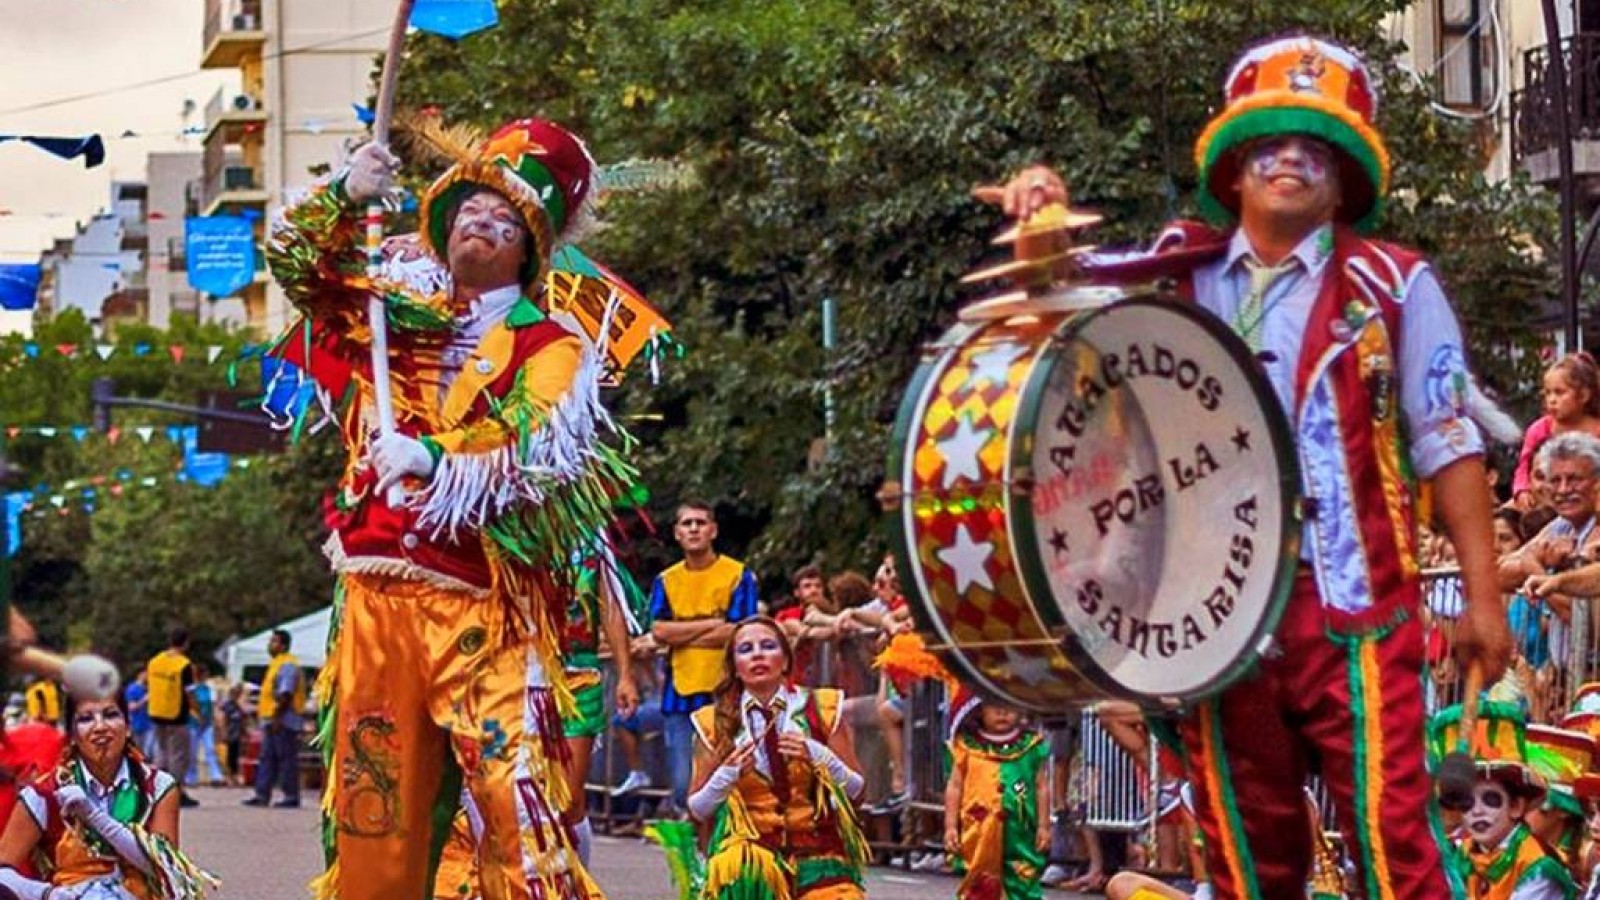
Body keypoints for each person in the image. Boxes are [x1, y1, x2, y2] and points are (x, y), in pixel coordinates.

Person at [995, 35, 1511, 898]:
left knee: (1396, 842)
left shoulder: (1396, 285)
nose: (1291, 160)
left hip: (1357, 608)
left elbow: (1447, 443)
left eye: (1316, 148)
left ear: (1346, 179)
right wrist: (1038, 222)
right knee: (1244, 844)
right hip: (1217, 616)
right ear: (1232, 171)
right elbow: (1059, 337)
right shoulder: (1172, 278)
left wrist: (1486, 600)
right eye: (1269, 143)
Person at [266, 115, 636, 899]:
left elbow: (535, 448)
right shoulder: (387, 310)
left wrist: (434, 457)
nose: (484, 222)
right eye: (471, 207)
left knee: (517, 806)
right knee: (375, 812)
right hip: (374, 601)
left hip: (482, 610)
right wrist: (342, 193)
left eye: (506, 219)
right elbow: (297, 267)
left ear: (528, 250)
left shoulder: (553, 345)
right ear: (442, 219)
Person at [685, 617, 868, 899]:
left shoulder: (822, 709)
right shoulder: (713, 723)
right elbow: (697, 809)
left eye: (768, 646)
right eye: (745, 649)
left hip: (818, 853)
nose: (757, 654)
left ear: (785, 661)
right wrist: (727, 775)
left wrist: (820, 757)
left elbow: (858, 793)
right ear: (735, 667)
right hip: (751, 858)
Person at [0, 690, 215, 899]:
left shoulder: (157, 786)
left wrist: (94, 816)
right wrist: (47, 894)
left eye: (111, 715)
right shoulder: (44, 793)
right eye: (85, 719)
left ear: (128, 727)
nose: (100, 727)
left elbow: (164, 869)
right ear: (72, 735)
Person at [649, 500, 759, 814]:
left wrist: (683, 632)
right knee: (684, 782)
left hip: (725, 690)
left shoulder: (738, 575)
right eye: (687, 524)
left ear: (713, 530)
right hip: (679, 690)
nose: (694, 529)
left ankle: (721, 847)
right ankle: (695, 844)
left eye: (700, 522)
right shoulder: (666, 580)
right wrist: (713, 623)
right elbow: (659, 630)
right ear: (676, 533)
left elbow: (740, 630)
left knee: (725, 773)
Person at [1430, 701, 1576, 899]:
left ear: (1516, 806)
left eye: (1490, 799)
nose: (1477, 811)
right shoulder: (1462, 854)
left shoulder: (1537, 865)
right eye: (1467, 801)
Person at [560, 561, 638, 865]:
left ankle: (577, 884)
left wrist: (625, 675)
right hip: (520, 674)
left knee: (569, 797)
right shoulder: (512, 533)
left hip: (579, 678)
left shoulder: (590, 545)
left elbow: (611, 610)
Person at [942, 690, 1050, 900]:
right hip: (978, 828)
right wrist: (950, 827)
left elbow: (1041, 786)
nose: (1002, 712)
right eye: (993, 705)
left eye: (1009, 705)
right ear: (979, 709)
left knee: (1023, 877)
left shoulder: (1031, 745)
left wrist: (1044, 826)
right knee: (980, 879)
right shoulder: (965, 746)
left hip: (1021, 830)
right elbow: (954, 786)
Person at [1513, 355, 1600, 512]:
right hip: (1544, 500)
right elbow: (1524, 465)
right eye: (1547, 393)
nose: (1552, 400)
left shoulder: (1597, 429)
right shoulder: (1539, 429)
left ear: (1584, 395)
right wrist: (1521, 490)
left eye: (1559, 393)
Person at [243, 629, 303, 809]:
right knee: (267, 758)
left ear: (283, 645)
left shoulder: (288, 664)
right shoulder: (276, 663)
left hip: (283, 720)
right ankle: (262, 794)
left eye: (274, 642)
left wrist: (278, 717)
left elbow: (286, 693)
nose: (270, 645)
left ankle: (291, 795)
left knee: (286, 759)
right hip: (271, 719)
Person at [144, 629, 197, 809]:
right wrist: (198, 711)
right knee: (179, 756)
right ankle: (175, 792)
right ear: (186, 643)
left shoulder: (155, 662)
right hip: (177, 715)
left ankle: (158, 790)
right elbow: (189, 692)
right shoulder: (183, 664)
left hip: (157, 713)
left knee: (162, 753)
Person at [185, 663, 224, 789]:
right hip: (193, 723)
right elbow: (190, 705)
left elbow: (212, 706)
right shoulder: (191, 689)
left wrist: (215, 720)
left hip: (207, 723)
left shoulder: (208, 688)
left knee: (210, 749)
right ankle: (191, 777)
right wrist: (198, 716)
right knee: (192, 751)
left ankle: (216, 776)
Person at [217, 684, 247, 788]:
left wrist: (244, 732)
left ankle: (234, 777)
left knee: (235, 757)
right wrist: (223, 732)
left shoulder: (237, 706)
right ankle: (229, 778)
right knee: (229, 757)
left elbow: (242, 720)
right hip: (230, 734)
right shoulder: (228, 705)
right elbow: (224, 719)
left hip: (237, 735)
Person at [123, 673, 153, 763]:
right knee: (139, 752)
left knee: (149, 752)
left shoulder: (148, 688)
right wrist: (144, 700)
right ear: (141, 674)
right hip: (137, 725)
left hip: (150, 725)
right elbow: (130, 707)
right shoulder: (132, 689)